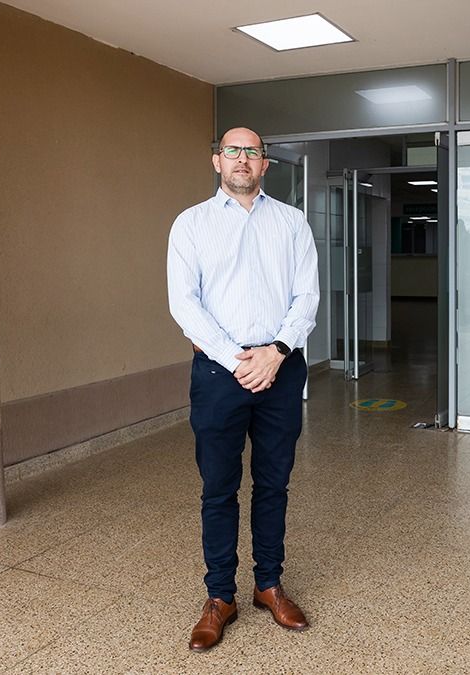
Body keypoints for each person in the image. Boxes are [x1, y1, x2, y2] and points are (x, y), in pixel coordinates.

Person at [166, 127, 320, 652]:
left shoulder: (292, 223)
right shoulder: (191, 224)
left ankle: (269, 584)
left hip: (280, 370)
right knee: (219, 487)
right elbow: (184, 304)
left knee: (273, 483)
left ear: (264, 164)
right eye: (232, 151)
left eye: (251, 152)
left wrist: (275, 352)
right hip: (218, 374)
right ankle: (219, 597)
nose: (241, 160)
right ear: (217, 161)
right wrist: (237, 359)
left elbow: (306, 296)